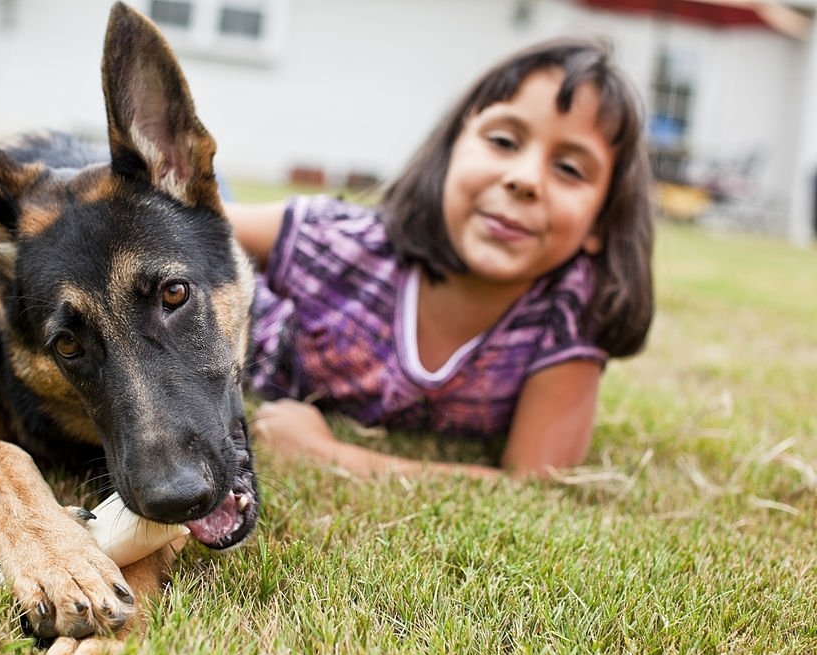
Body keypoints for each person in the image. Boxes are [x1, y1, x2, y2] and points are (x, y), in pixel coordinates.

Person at [227, 37, 654, 480]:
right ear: (454, 147)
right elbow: (196, 220)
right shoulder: (339, 242)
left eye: (569, 169)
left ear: (601, 224)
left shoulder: (570, 311)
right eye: (504, 141)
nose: (525, 179)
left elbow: (534, 480)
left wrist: (327, 453)